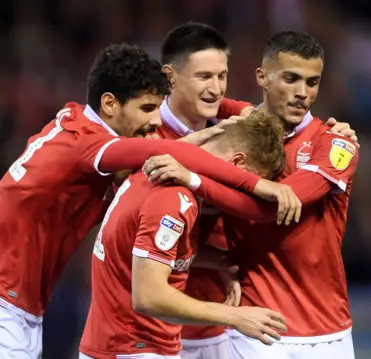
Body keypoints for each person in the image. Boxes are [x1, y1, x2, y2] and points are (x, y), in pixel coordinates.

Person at [0, 43, 296, 359]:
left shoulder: (77, 125)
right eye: (146, 108)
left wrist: (218, 260)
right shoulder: (91, 146)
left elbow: (162, 154)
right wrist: (259, 185)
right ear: (110, 104)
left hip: (25, 300)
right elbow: (168, 152)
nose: (156, 122)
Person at [149, 22, 360, 359]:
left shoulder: (336, 143)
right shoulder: (230, 134)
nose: (302, 92)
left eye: (312, 82)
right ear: (262, 77)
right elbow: (199, 98)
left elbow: (274, 207)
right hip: (255, 328)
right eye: (290, 79)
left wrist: (194, 178)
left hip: (328, 331)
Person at [79, 111, 289, 359]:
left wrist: (219, 262)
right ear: (238, 164)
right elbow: (148, 296)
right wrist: (237, 316)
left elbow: (145, 255)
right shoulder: (173, 197)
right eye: (248, 183)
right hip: (135, 349)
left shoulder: (153, 172)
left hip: (122, 345)